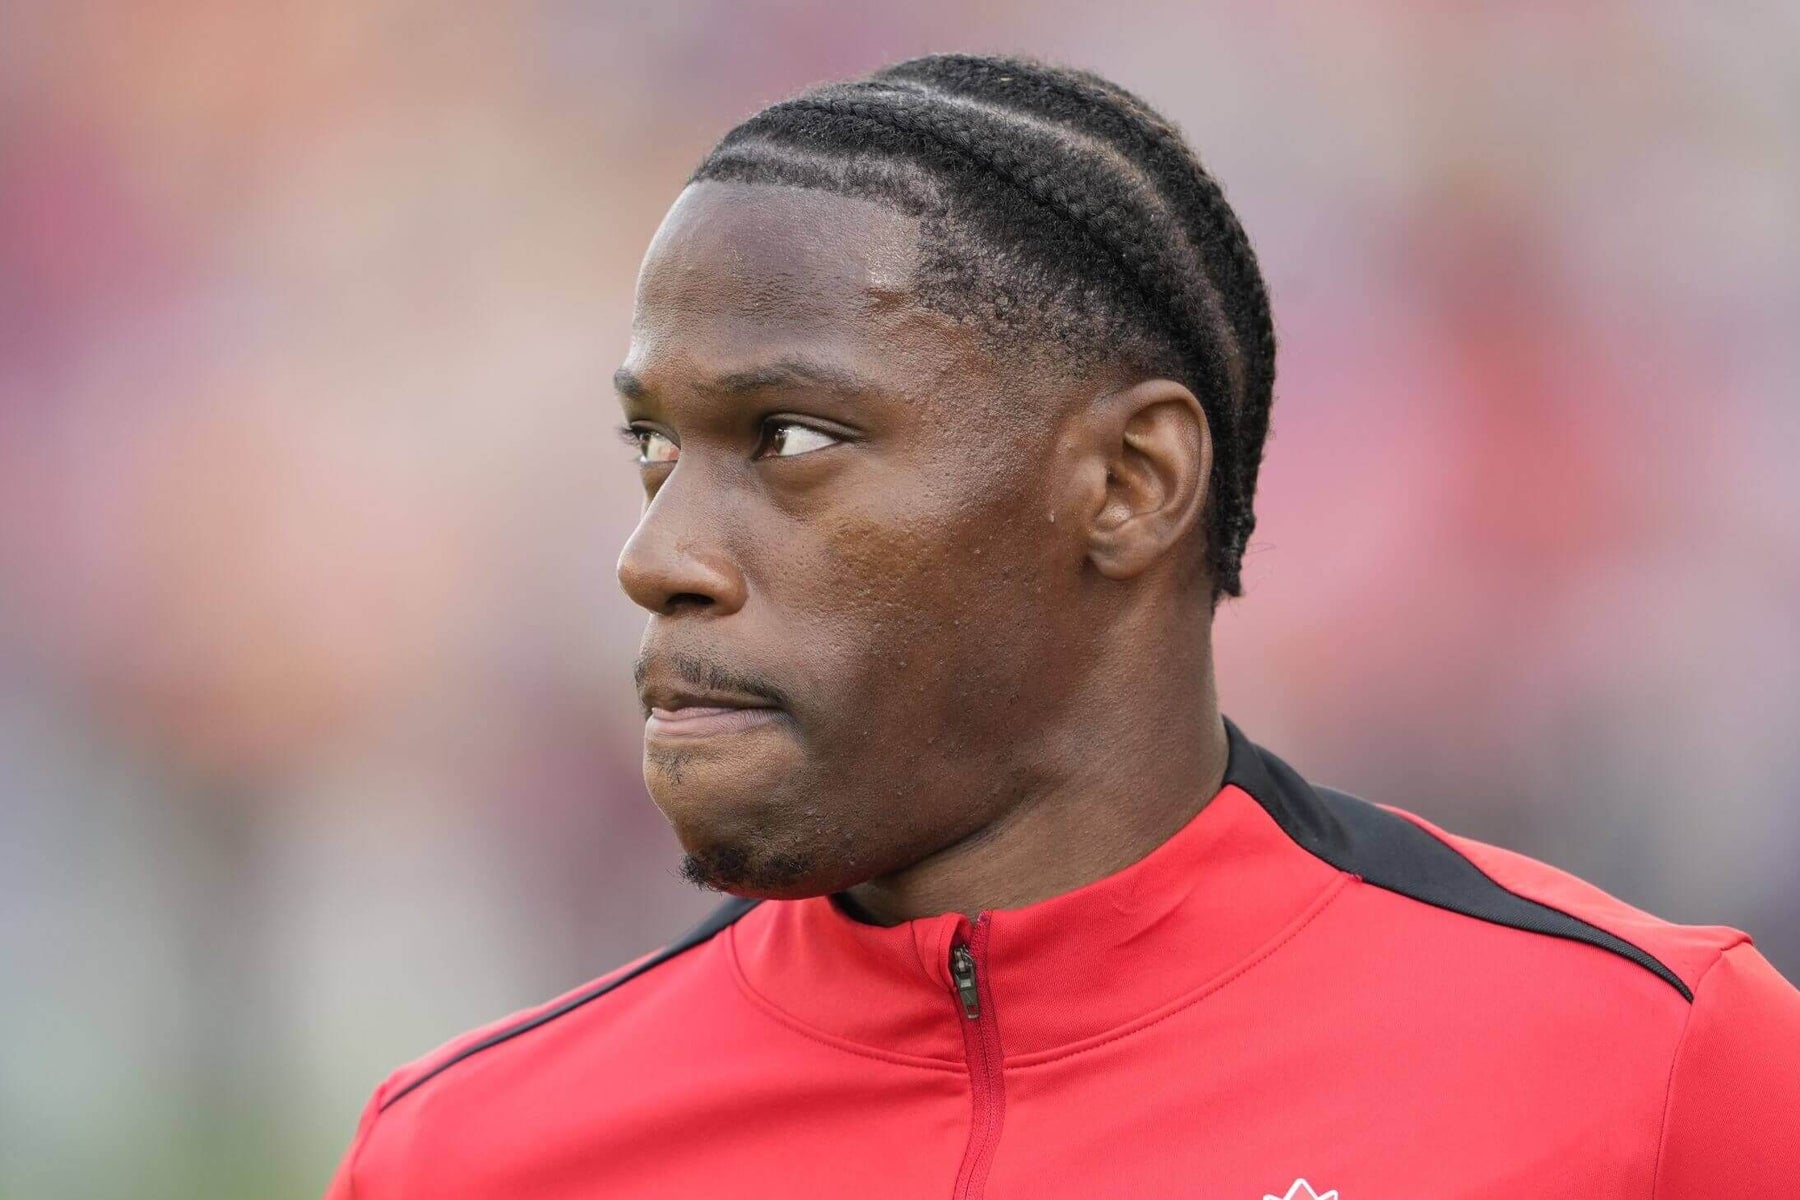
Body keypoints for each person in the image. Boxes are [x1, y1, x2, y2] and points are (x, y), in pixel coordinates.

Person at [324, 54, 1800, 1198]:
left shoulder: (1655, 1062)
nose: (657, 559)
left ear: (1131, 483)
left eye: (789, 439)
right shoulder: (467, 1155)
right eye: (654, 450)